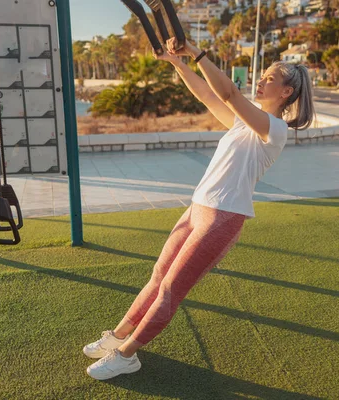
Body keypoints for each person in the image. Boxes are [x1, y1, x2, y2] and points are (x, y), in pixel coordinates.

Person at [83, 38, 315, 380]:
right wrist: (176, 62)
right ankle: (117, 335)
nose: (261, 81)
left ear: (287, 92)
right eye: (262, 75)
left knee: (169, 290)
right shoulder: (243, 123)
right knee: (157, 278)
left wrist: (194, 51)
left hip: (224, 217)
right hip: (197, 207)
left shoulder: (275, 130)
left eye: (270, 78)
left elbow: (229, 95)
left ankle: (127, 355)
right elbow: (208, 96)